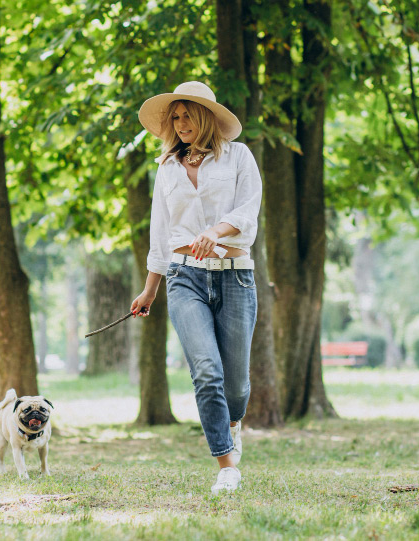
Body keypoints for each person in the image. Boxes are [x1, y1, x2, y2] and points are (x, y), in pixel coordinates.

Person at [130, 81, 261, 495]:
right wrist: (150, 289)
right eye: (176, 116)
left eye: (187, 114)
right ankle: (226, 464)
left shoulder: (238, 156)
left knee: (236, 381)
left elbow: (248, 212)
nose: (180, 123)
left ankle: (233, 422)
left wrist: (214, 232)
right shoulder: (167, 167)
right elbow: (160, 233)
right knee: (206, 370)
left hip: (235, 274)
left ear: (205, 116)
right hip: (183, 277)